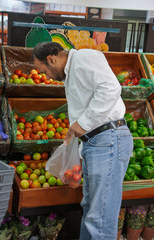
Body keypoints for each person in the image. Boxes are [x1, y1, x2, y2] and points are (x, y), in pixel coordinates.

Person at [32, 42, 133, 240]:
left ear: (52, 59)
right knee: (90, 208)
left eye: (44, 70)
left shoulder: (84, 58)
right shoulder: (70, 74)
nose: (46, 76)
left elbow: (111, 88)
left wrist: (83, 123)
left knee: (100, 216)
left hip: (108, 140)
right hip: (96, 143)